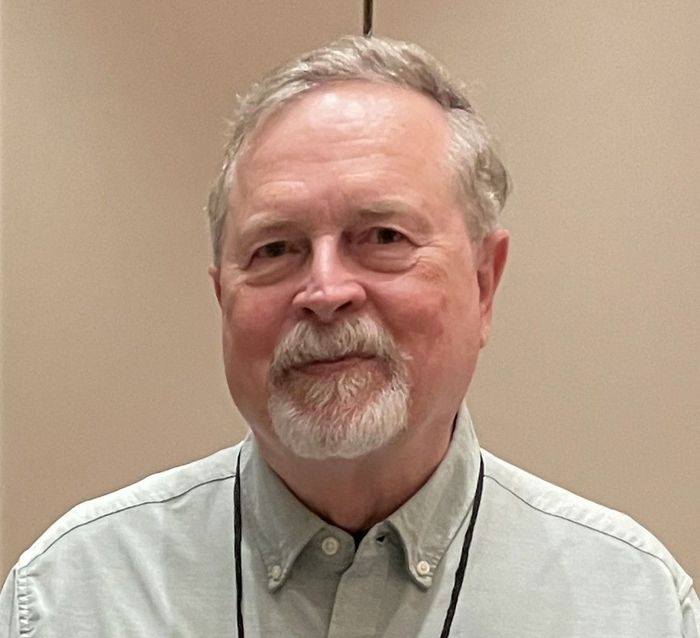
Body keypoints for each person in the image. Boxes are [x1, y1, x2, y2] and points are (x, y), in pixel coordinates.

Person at [1, 36, 697, 637]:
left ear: (485, 283)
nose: (326, 292)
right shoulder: (72, 598)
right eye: (276, 249)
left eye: (383, 238)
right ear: (223, 297)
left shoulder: (634, 605)